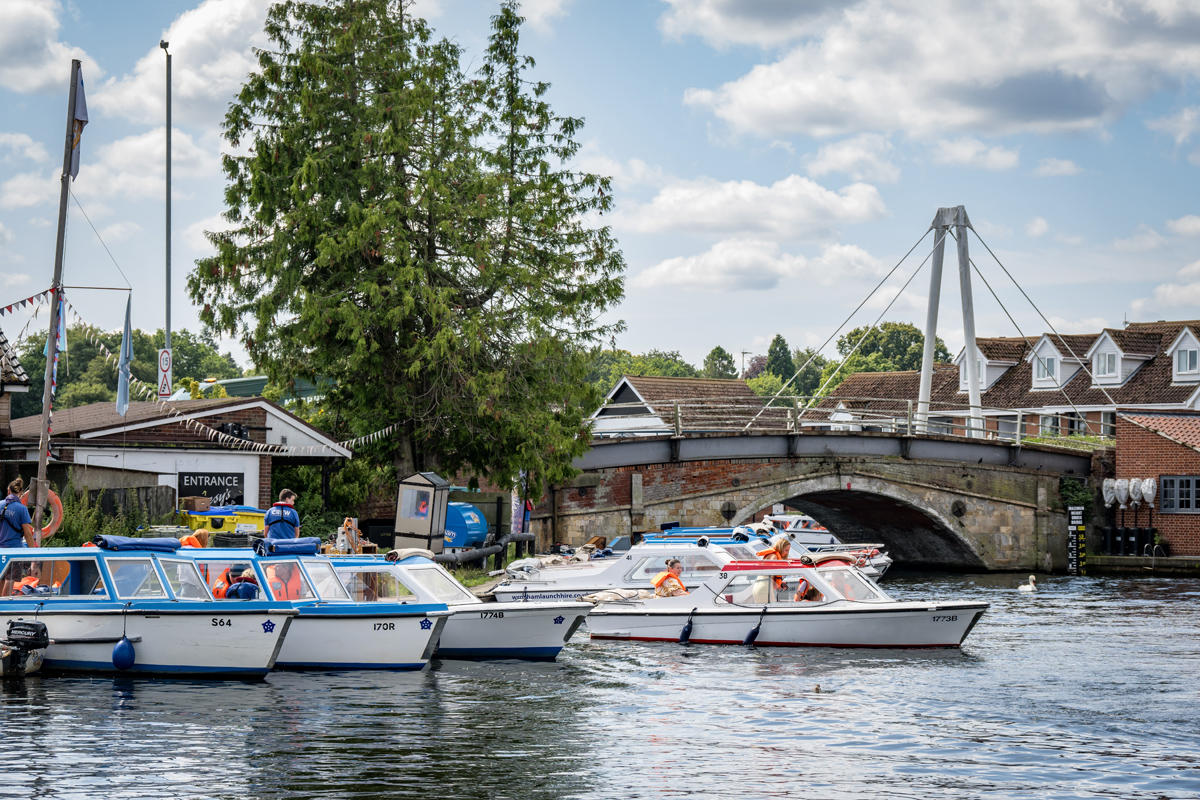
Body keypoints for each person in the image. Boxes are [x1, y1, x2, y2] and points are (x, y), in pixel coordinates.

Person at [0, 478, 36, 548]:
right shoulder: (22, 509)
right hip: (15, 549)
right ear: (21, 492)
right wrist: (33, 555)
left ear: (8, 491)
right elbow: (27, 535)